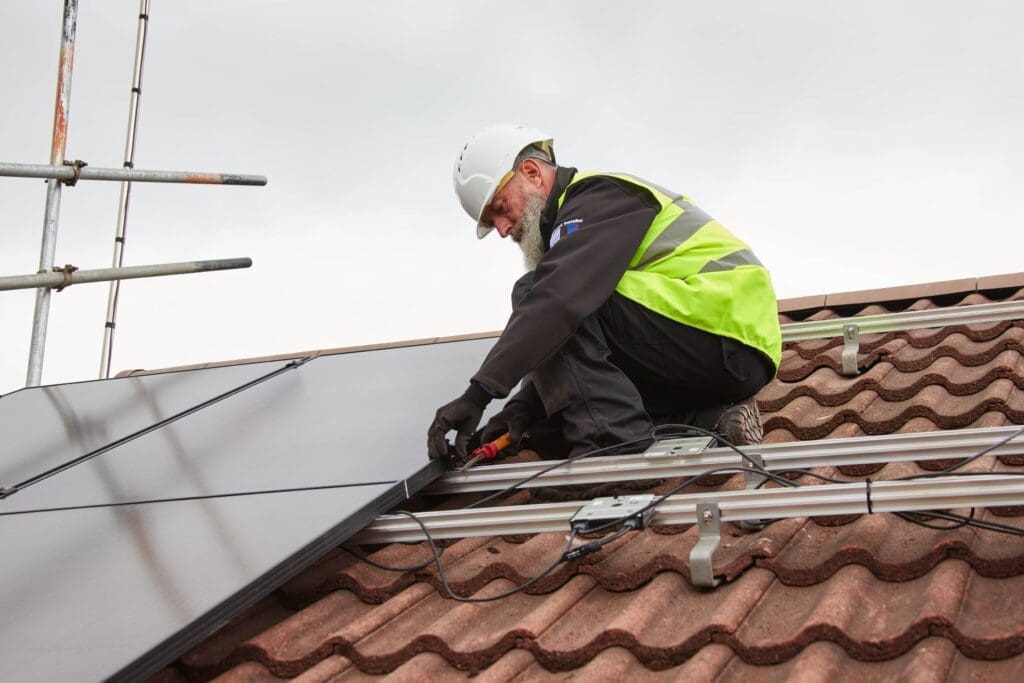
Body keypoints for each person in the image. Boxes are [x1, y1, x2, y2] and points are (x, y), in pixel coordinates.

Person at [427, 124, 782, 465]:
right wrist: (521, 411)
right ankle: (714, 419)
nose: (503, 230)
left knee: (539, 291)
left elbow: (558, 302)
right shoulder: (571, 238)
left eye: (501, 209)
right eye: (492, 222)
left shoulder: (597, 198)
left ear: (532, 172)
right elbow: (572, 353)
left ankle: (613, 450)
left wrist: (479, 394)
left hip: (721, 329)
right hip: (716, 354)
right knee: (554, 422)